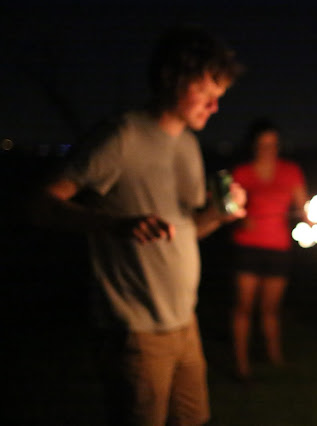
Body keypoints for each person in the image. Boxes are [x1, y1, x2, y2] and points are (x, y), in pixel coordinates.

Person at [30, 25, 245, 426]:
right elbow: (40, 205)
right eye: (207, 92)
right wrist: (114, 224)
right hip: (136, 331)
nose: (215, 107)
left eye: (220, 97)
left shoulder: (188, 144)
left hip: (185, 322)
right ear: (172, 78)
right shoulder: (122, 136)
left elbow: (187, 228)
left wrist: (218, 214)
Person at [229, 119, 308, 381]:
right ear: (254, 146)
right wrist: (241, 218)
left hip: (278, 248)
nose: (268, 149)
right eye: (263, 145)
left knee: (270, 309)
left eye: (273, 145)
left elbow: (304, 208)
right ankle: (241, 365)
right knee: (244, 306)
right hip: (248, 246)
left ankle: (275, 358)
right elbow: (228, 209)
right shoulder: (242, 172)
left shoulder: (291, 171)